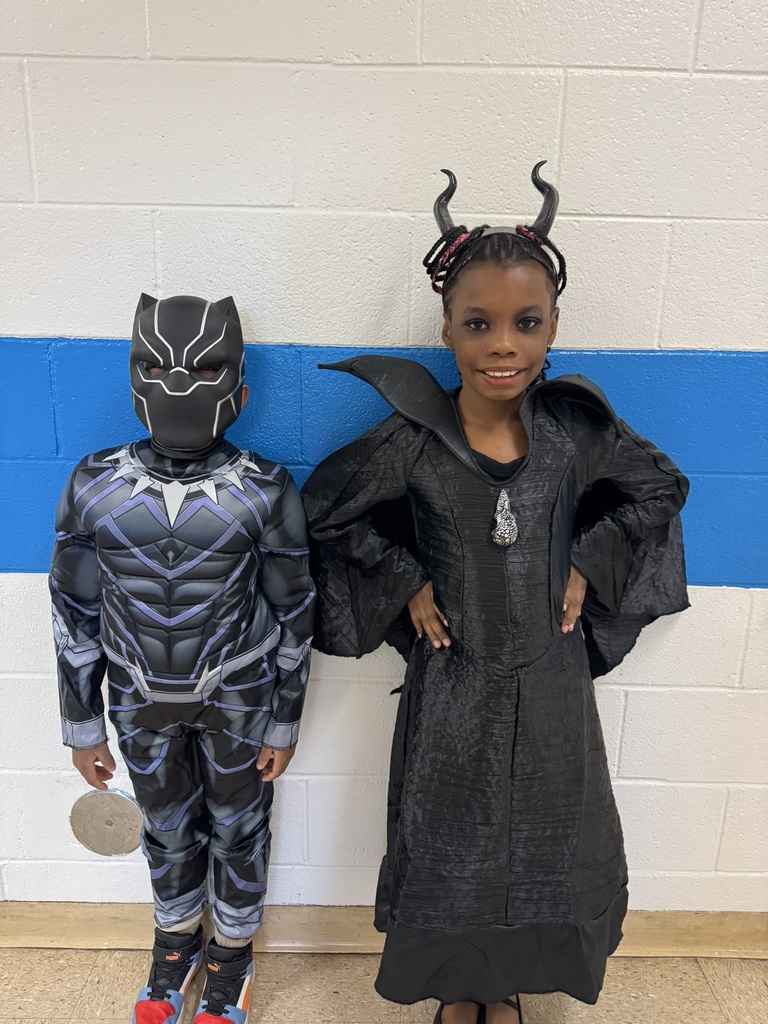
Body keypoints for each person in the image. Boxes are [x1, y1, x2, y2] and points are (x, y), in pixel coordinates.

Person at [301, 164, 689, 1024]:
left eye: (525, 323)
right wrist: (404, 580)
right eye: (478, 324)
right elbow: (326, 514)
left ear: (553, 329)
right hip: (455, 683)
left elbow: (660, 488)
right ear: (447, 329)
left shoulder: (573, 433)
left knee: (545, 837)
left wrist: (589, 556)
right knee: (454, 839)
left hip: (551, 684)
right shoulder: (414, 439)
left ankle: (506, 986)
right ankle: (456, 989)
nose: (502, 344)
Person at [50, 294, 315, 1024]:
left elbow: (296, 608)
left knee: (240, 825)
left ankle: (231, 959)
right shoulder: (93, 482)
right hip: (136, 695)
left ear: (239, 389)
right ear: (133, 379)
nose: (177, 386)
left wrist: (284, 719)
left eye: (202, 367)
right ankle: (175, 948)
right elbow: (73, 610)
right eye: (156, 366)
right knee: (165, 827)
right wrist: (82, 725)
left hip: (239, 695)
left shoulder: (265, 487)